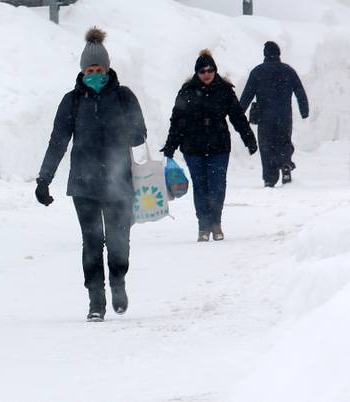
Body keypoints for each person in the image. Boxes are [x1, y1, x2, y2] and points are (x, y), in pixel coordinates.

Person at [35, 28, 147, 322]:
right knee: (92, 241)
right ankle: (96, 298)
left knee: (118, 238)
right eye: (89, 69)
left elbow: (139, 136)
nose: (94, 74)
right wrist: (44, 179)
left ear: (108, 69)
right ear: (82, 70)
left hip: (119, 182)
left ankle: (119, 282)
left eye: (99, 69)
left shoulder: (123, 98)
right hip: (84, 185)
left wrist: (129, 129)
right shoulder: (72, 101)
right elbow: (58, 141)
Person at [162, 49, 257, 242]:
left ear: (215, 71)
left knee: (217, 186)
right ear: (197, 73)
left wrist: (249, 139)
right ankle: (203, 226)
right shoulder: (187, 92)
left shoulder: (225, 91)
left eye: (210, 70)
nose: (206, 74)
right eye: (202, 71)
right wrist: (171, 145)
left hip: (219, 147)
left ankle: (216, 223)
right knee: (201, 186)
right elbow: (177, 121)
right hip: (193, 147)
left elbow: (237, 117)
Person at [239, 41, 309, 187]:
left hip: (265, 117)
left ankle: (270, 179)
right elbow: (300, 92)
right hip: (284, 116)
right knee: (284, 142)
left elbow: (247, 94)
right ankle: (285, 164)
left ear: (265, 54)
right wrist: (304, 111)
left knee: (266, 146)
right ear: (278, 54)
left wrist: (238, 112)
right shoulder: (288, 71)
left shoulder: (257, 72)